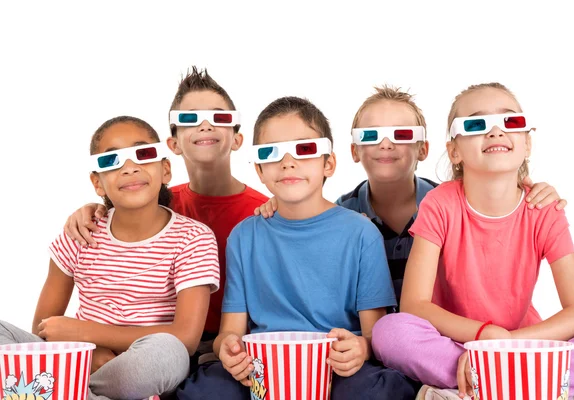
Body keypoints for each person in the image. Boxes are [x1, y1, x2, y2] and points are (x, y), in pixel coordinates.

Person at [178, 96, 418, 399]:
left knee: (378, 390)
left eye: (304, 150)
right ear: (260, 171)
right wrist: (226, 348)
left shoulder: (361, 233)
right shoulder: (244, 236)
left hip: (335, 367)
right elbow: (230, 331)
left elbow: (373, 334)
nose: (288, 162)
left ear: (328, 163)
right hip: (263, 367)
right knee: (206, 390)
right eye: (272, 153)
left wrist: (361, 348)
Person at [371, 83, 574, 399]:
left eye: (511, 122)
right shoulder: (439, 204)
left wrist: (506, 345)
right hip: (454, 342)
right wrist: (484, 337)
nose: (495, 132)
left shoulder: (544, 209)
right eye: (475, 125)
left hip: (523, 343)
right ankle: (528, 384)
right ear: (454, 151)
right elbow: (415, 304)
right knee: (389, 332)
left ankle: (479, 383)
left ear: (527, 143)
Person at [255, 85, 566, 304]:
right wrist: (282, 202)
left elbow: (492, 199)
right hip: (369, 332)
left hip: (443, 324)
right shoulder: (343, 213)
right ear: (353, 150)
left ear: (424, 149)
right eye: (371, 135)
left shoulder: (445, 204)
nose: (386, 144)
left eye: (402, 135)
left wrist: (527, 187)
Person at [0, 116, 220, 400]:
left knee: (168, 350)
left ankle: (59, 391)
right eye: (112, 161)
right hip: (80, 359)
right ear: (98, 183)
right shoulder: (80, 232)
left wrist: (87, 333)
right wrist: (90, 353)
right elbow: (44, 328)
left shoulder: (193, 237)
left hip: (140, 367)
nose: (129, 168)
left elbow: (186, 338)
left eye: (143, 154)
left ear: (165, 169)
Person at [61, 68, 268, 364]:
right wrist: (95, 209)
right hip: (159, 342)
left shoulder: (264, 211)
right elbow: (122, 218)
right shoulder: (157, 205)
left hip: (234, 346)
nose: (206, 125)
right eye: (189, 118)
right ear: (172, 144)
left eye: (219, 117)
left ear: (237, 139)